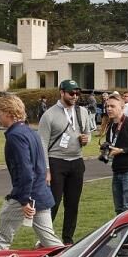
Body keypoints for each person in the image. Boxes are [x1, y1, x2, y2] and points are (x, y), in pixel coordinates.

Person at [0, 95, 59, 252]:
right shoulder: (31, 132)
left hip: (26, 195)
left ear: (9, 113)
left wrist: (24, 200)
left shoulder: (15, 136)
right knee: (48, 239)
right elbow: (39, 166)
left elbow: (25, 171)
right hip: (41, 194)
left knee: (2, 235)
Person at [39, 79, 94, 244]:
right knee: (54, 203)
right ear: (61, 92)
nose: (75, 96)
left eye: (77, 93)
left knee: (73, 204)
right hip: (56, 161)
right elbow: (42, 143)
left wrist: (86, 139)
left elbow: (88, 132)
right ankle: (45, 239)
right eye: (71, 93)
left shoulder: (82, 111)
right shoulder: (49, 115)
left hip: (76, 161)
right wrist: (46, 169)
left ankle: (68, 239)